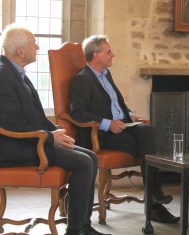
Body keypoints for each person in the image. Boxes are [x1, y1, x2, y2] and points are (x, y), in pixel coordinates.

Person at [0, 23, 111, 235]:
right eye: (34, 44)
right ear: (20, 51)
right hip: (12, 147)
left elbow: (36, 117)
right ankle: (76, 230)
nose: (38, 47)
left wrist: (57, 132)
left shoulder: (17, 73)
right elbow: (9, 122)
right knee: (83, 162)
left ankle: (82, 226)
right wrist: (50, 137)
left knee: (91, 157)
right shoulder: (3, 75)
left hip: (30, 140)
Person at [70, 35, 179, 224]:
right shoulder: (82, 79)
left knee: (150, 131)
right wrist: (107, 123)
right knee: (145, 143)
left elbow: (115, 103)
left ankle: (155, 197)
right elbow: (78, 113)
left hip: (123, 124)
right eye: (108, 51)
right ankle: (154, 203)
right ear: (95, 55)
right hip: (100, 134)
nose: (113, 54)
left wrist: (129, 114)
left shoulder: (106, 74)